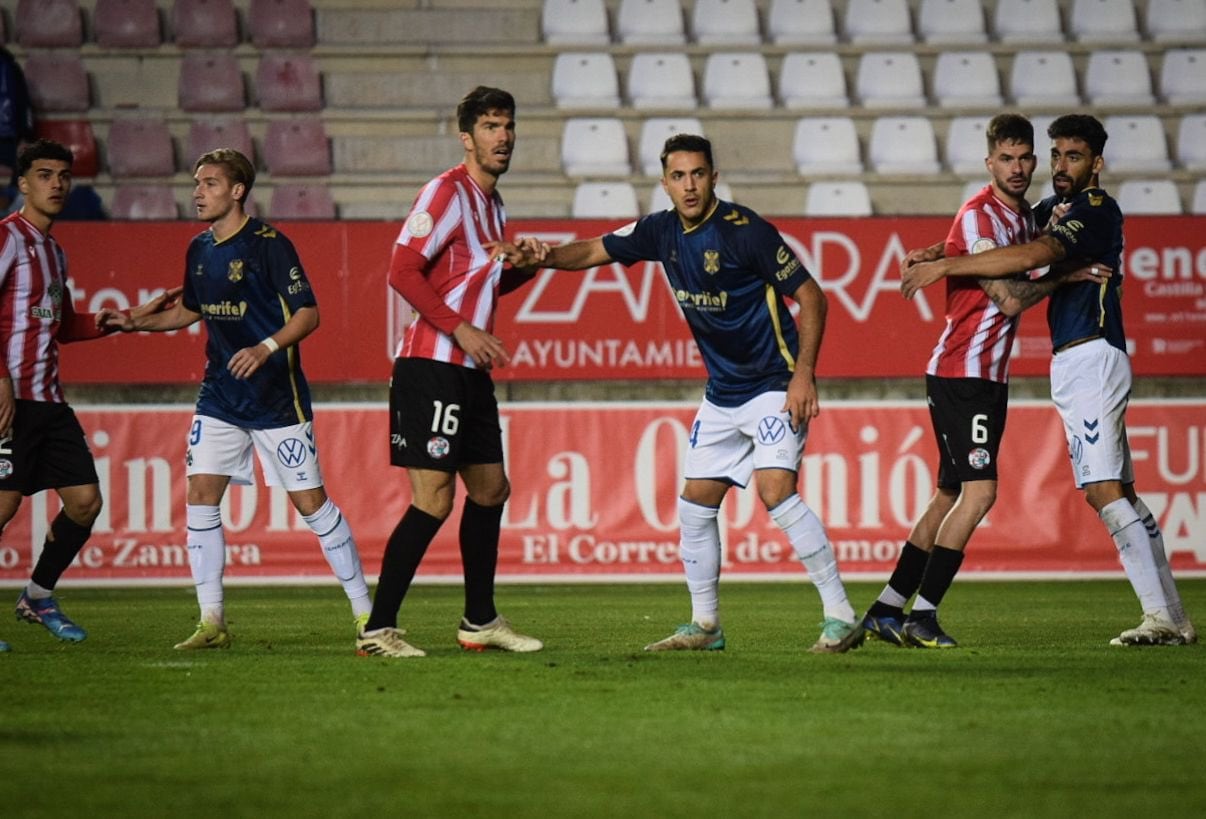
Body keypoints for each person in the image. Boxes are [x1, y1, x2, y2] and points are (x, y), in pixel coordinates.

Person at [497, 134, 864, 653]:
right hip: (722, 394)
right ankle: (705, 626)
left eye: (697, 174)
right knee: (695, 505)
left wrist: (804, 374)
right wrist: (545, 257)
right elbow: (595, 250)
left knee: (775, 492)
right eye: (678, 176)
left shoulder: (747, 232)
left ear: (714, 176)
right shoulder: (660, 231)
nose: (689, 185)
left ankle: (841, 615)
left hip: (772, 385)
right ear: (665, 182)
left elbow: (811, 296)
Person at [901, 114, 1195, 646]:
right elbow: (997, 236)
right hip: (1079, 358)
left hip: (1091, 355)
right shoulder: (1051, 208)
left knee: (1102, 490)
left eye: (1073, 156)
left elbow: (1034, 254)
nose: (1060, 166)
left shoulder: (1095, 210)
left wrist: (948, 268)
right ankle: (1171, 615)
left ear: (1096, 164)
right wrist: (937, 250)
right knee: (1123, 490)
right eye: (1055, 155)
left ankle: (1160, 617)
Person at [98, 148, 373, 650]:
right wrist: (133, 321)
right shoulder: (199, 249)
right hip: (221, 396)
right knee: (201, 494)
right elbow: (186, 311)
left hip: (275, 400)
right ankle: (212, 621)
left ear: (237, 190)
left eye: (209, 183)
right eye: (197, 183)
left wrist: (265, 347)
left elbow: (309, 314)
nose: (197, 192)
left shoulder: (270, 245)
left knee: (311, 504)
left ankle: (364, 614)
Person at [863, 114, 1093, 649]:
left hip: (984, 375)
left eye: (1025, 158)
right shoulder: (979, 214)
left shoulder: (1017, 220)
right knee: (981, 493)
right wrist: (1066, 276)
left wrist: (937, 253)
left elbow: (970, 250)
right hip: (963, 372)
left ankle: (887, 608)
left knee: (947, 496)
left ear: (1033, 160)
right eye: (1006, 159)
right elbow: (1010, 298)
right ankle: (924, 615)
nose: (1017, 168)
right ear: (989, 162)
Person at [357, 86, 545, 659]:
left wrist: (525, 267)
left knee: (491, 489)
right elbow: (401, 270)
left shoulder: (494, 204)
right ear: (466, 138)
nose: (503, 136)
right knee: (433, 499)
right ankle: (377, 629)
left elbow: (480, 283)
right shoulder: (445, 192)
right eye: (490, 126)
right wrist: (461, 329)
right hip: (432, 365)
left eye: (508, 125)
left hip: (469, 371)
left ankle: (479, 620)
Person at [0, 139, 172, 651]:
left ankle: (38, 595)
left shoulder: (54, 251)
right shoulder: (8, 238)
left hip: (48, 402)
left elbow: (61, 325)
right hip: (9, 401)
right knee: (3, 505)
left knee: (84, 502)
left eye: (63, 176)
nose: (56, 184)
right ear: (23, 183)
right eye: (45, 174)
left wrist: (123, 320)